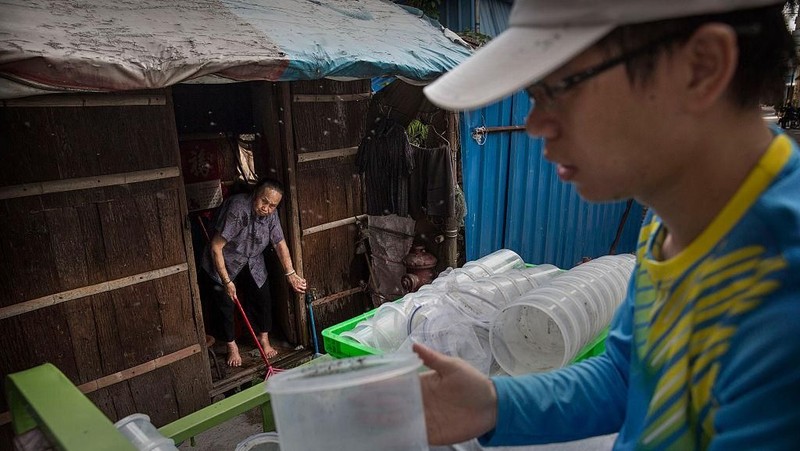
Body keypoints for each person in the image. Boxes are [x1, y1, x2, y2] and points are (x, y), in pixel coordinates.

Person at [416, 0, 800, 449]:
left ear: (702, 67)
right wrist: (492, 404)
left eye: (559, 88)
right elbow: (630, 376)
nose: (536, 125)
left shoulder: (782, 290)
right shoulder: (676, 217)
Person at [200, 177, 306, 367]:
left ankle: (263, 339)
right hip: (226, 258)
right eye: (264, 201)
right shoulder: (238, 209)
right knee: (225, 303)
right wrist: (226, 281)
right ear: (255, 193)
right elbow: (216, 247)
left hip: (253, 258)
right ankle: (231, 345)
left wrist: (291, 273)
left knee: (262, 297)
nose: (267, 208)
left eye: (272, 205)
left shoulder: (271, 214)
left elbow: (280, 244)